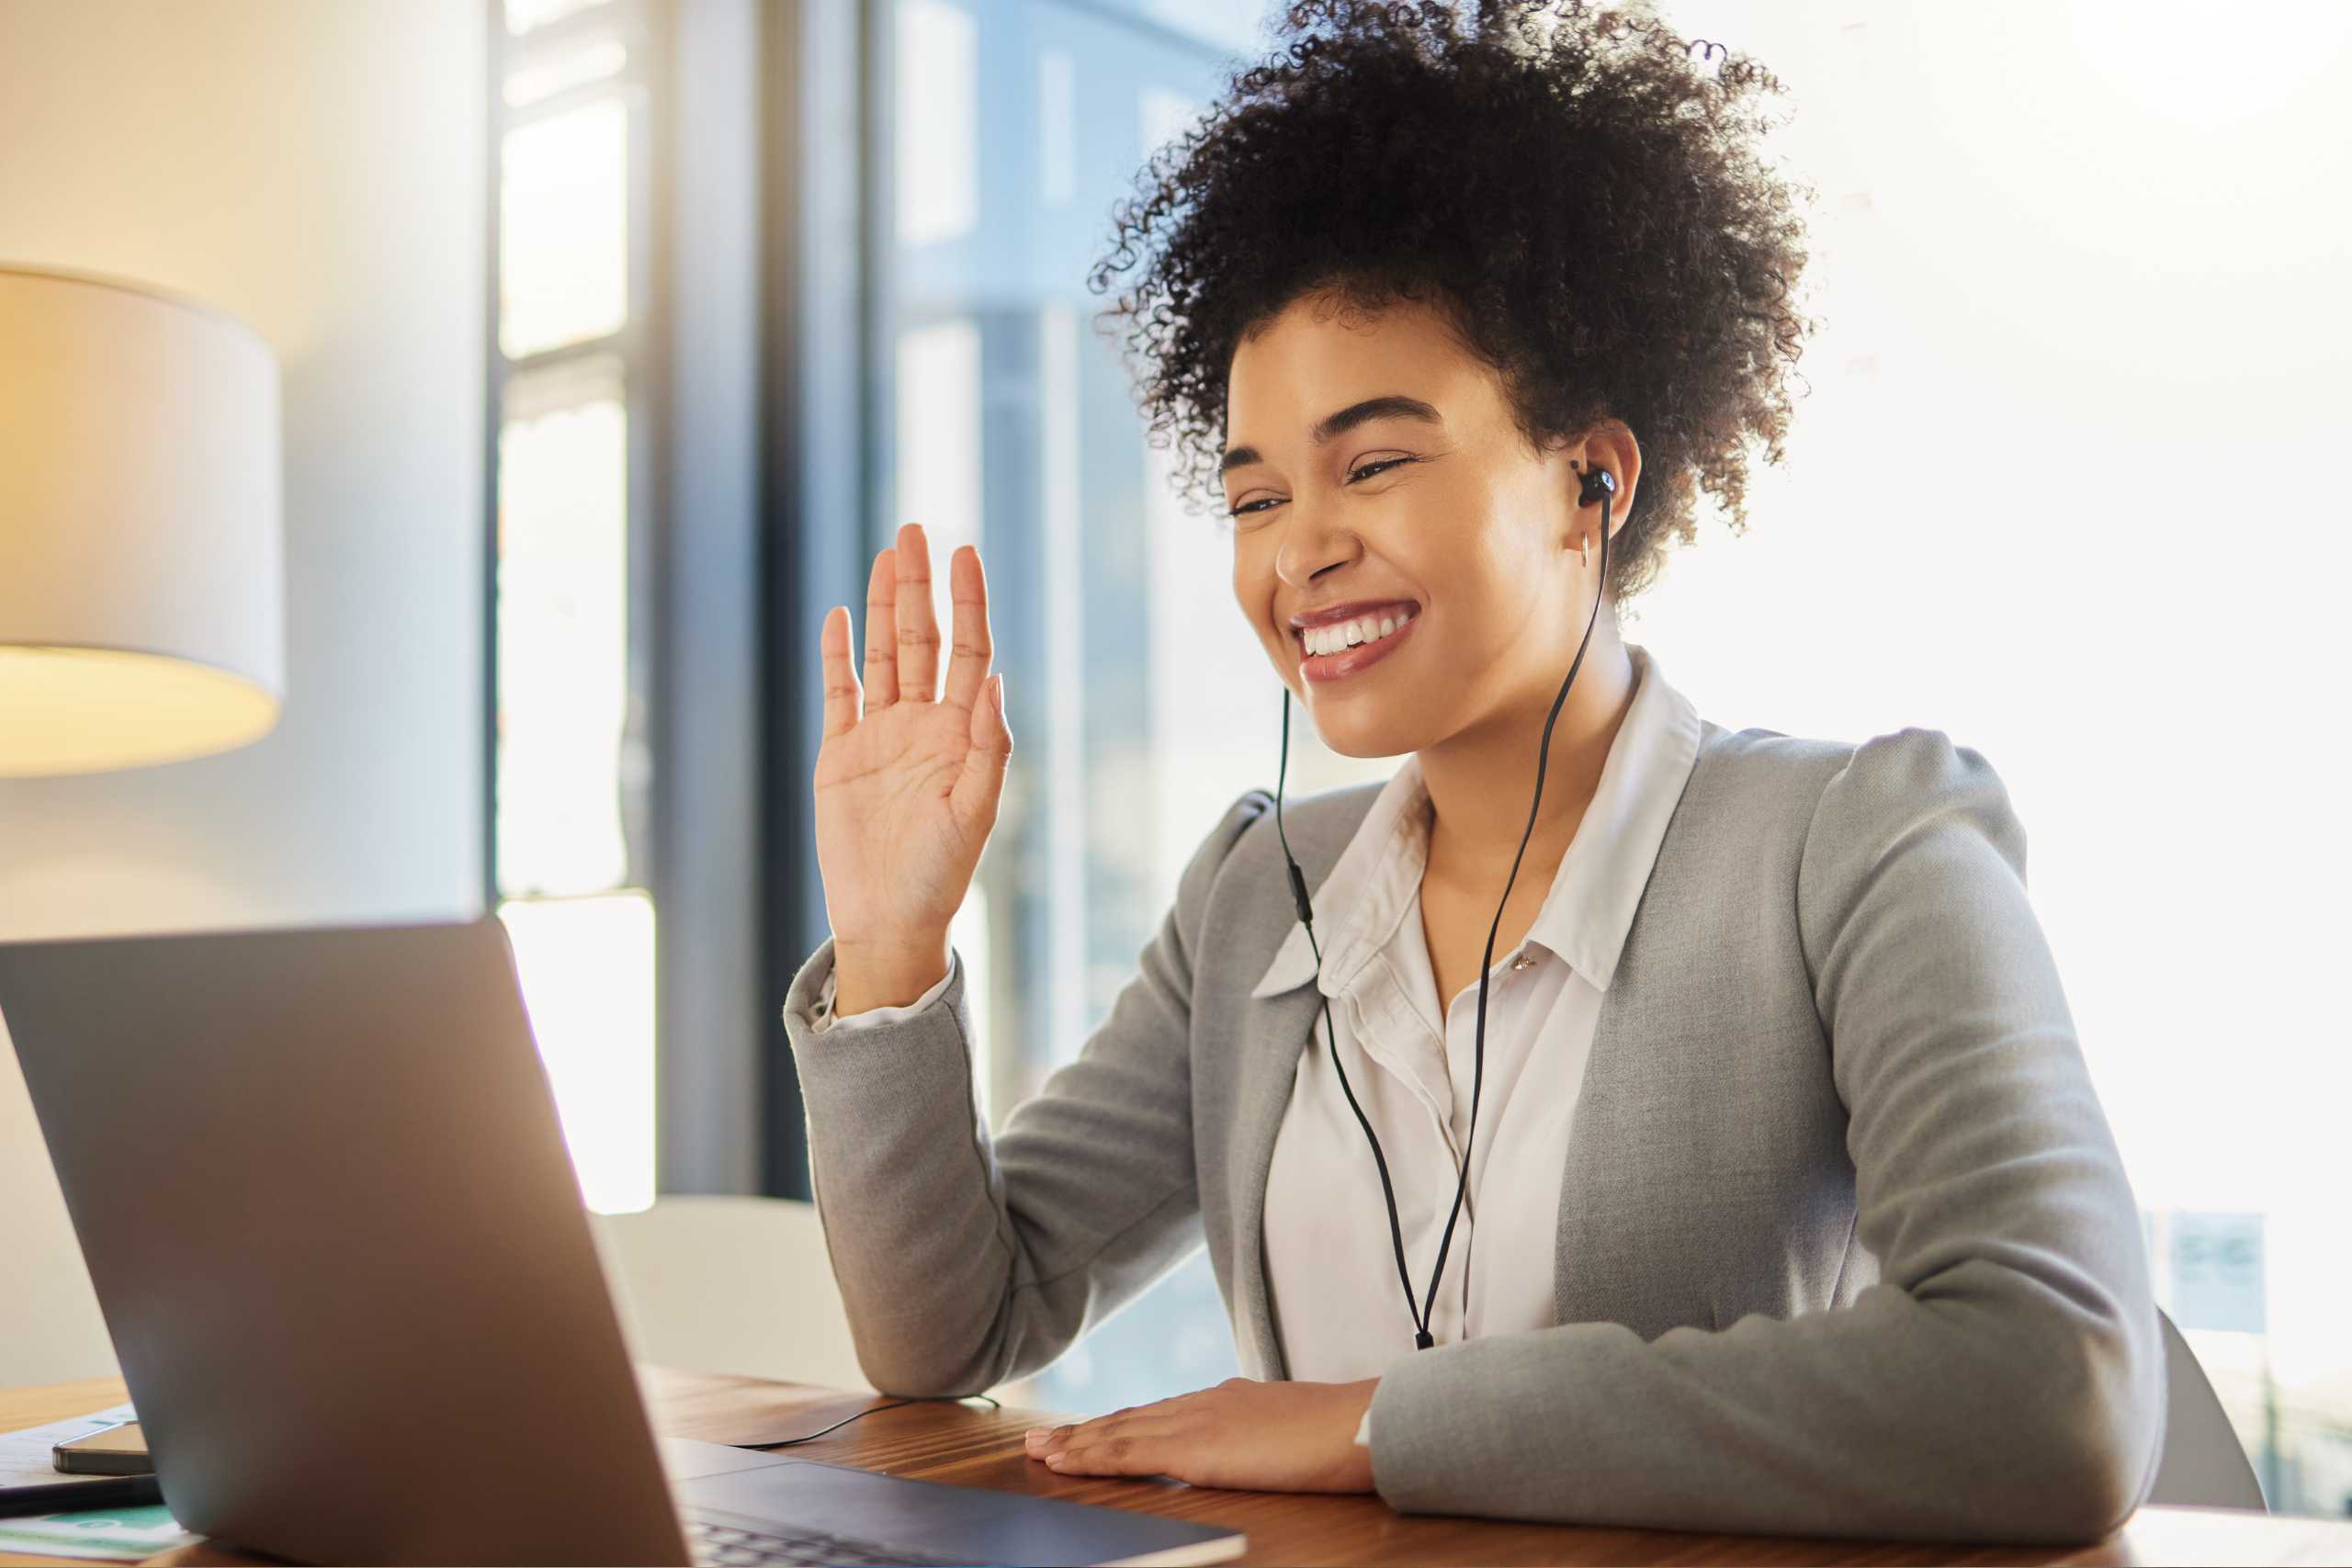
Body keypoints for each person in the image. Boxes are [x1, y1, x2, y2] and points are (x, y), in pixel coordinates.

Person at [786, 0, 2159, 1541]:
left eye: (1373, 462)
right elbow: (951, 1328)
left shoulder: (1861, 846)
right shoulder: (1258, 897)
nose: (1300, 548)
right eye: (1253, 496)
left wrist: (1379, 1427)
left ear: (1593, 482)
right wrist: (895, 942)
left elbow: (2054, 1389)